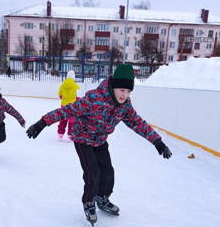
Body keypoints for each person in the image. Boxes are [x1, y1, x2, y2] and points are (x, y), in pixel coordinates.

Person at [26, 63, 172, 225]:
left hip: (100, 140)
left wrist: (157, 141)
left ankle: (102, 198)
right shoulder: (94, 99)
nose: (125, 95)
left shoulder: (125, 106)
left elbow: (138, 123)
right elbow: (67, 110)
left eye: (129, 91)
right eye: (122, 90)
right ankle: (89, 201)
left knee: (108, 172)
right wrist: (42, 122)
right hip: (83, 139)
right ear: (114, 87)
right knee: (93, 173)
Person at [57, 70, 80, 141]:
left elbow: (60, 95)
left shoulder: (62, 85)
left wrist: (64, 99)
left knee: (63, 120)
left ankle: (60, 134)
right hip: (72, 107)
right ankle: (70, 136)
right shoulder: (76, 86)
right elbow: (78, 98)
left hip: (64, 106)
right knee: (72, 121)